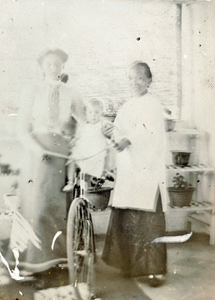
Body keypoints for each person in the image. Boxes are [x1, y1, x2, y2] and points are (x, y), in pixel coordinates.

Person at [8, 49, 85, 273]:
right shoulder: (31, 90)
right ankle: (29, 262)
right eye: (49, 63)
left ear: (63, 67)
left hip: (60, 153)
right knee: (36, 206)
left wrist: (79, 141)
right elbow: (21, 128)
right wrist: (36, 149)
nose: (54, 67)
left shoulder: (71, 92)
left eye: (58, 64)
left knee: (57, 206)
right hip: (37, 154)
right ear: (41, 67)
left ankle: (58, 260)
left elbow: (85, 121)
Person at [102, 61, 167, 287]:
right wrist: (110, 132)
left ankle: (154, 270)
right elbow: (119, 132)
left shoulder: (153, 104)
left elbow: (149, 131)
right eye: (131, 78)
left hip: (147, 169)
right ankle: (128, 265)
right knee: (127, 217)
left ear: (149, 81)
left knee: (148, 220)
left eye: (140, 78)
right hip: (130, 168)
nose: (135, 82)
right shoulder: (126, 106)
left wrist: (127, 139)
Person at [63, 98, 108, 191]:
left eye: (97, 112)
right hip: (83, 150)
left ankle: (98, 178)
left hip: (96, 151)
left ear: (101, 114)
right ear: (86, 113)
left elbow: (109, 135)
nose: (93, 116)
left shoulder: (102, 125)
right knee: (72, 159)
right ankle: (70, 182)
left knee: (96, 166)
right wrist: (73, 141)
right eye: (90, 112)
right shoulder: (83, 125)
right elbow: (77, 136)